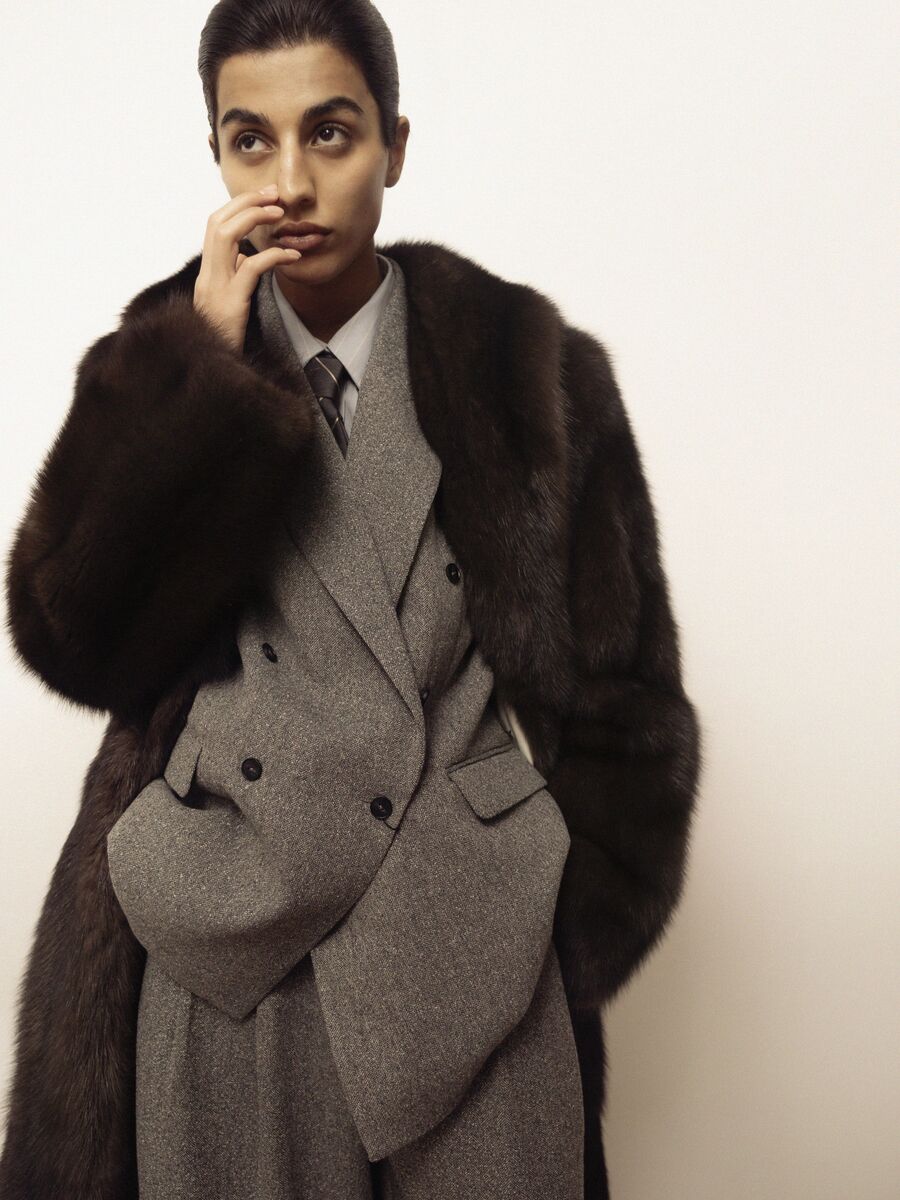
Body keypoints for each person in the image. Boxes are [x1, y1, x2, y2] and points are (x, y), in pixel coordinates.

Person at [0, 1, 703, 1198]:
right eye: (251, 141)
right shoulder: (164, 357)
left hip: (473, 949)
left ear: (395, 145)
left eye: (329, 133)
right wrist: (199, 370)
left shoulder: (528, 369)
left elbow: (624, 698)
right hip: (228, 953)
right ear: (216, 156)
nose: (290, 183)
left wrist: (556, 932)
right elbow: (73, 637)